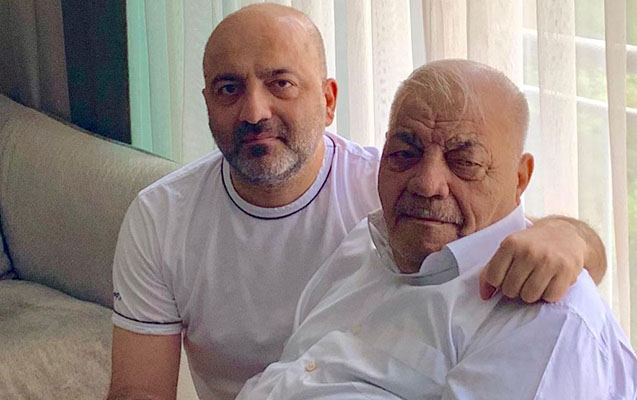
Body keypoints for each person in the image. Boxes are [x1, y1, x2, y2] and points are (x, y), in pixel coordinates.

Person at [108, 4, 608, 400]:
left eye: (281, 83)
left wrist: (572, 236)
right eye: (229, 88)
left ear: (329, 101)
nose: (254, 111)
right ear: (207, 103)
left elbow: (517, 239)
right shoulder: (163, 216)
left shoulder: (392, 191)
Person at [237, 59, 637, 399]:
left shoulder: (542, 315)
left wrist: (576, 237)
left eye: (465, 162)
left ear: (520, 178)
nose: (427, 184)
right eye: (404, 153)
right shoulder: (366, 243)